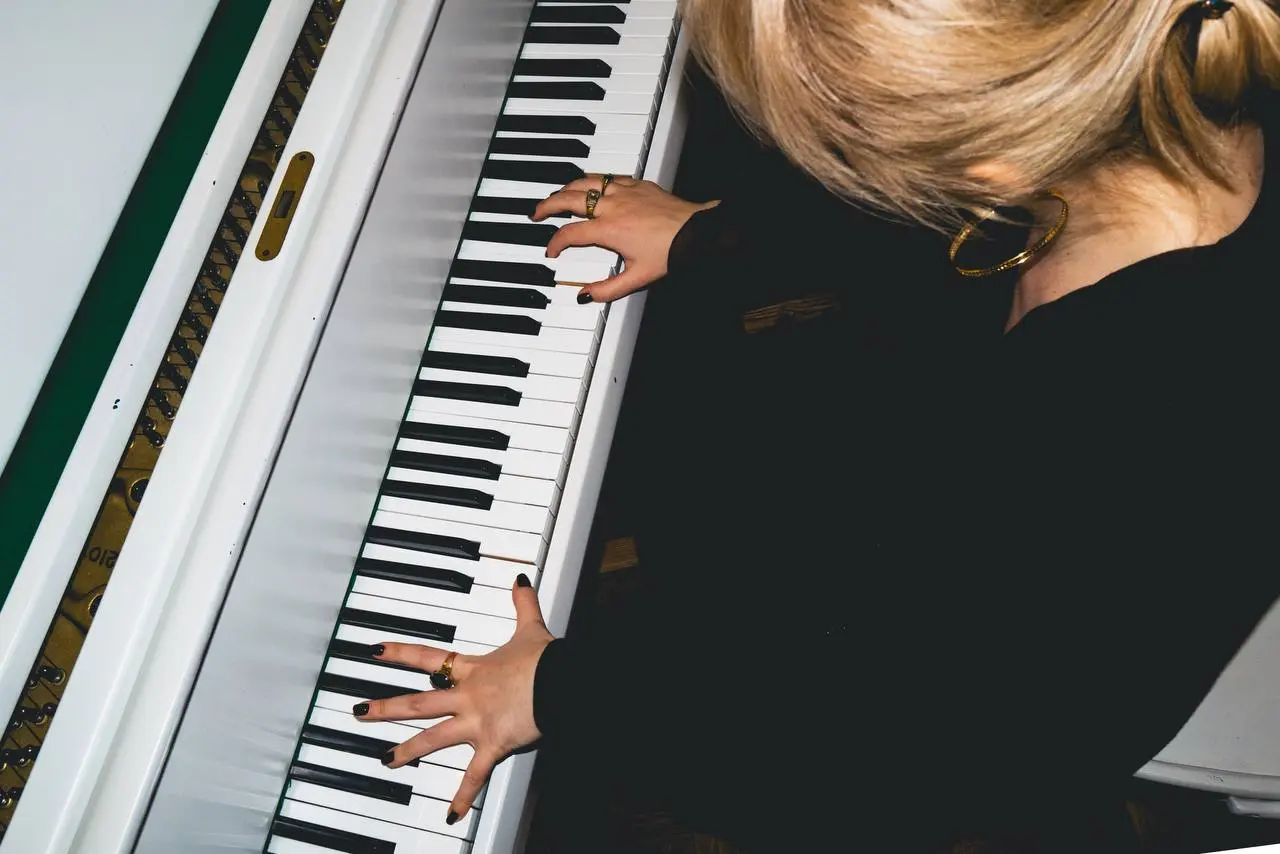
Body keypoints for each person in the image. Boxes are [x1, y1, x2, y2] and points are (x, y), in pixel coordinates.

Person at [353, 0, 1280, 849]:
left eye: (840, 151)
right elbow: (940, 224)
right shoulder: (1152, 120)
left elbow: (884, 748)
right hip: (971, 537)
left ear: (990, 166)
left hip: (973, 712)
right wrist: (708, 234)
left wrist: (558, 690)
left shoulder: (1125, 434)